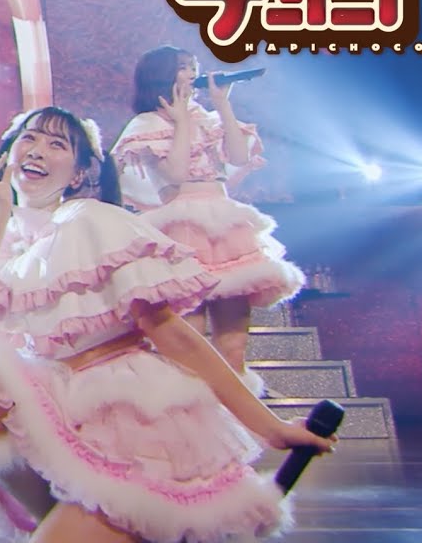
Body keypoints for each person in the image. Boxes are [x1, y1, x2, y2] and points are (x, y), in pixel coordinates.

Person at [0, 107, 335, 543]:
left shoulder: (91, 220)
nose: (38, 150)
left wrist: (269, 426)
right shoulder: (2, 234)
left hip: (124, 414)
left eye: (57, 144)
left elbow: (175, 335)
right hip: (57, 409)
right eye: (30, 138)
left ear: (79, 173)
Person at [112, 45, 305, 395]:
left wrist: (222, 104)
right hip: (180, 228)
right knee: (190, 349)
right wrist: (181, 122)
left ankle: (239, 418)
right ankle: (192, 419)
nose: (193, 74)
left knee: (234, 349)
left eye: (193, 67)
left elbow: (238, 156)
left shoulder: (206, 117)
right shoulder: (146, 125)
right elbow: (175, 173)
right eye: (184, 67)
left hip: (225, 226)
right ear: (163, 75)